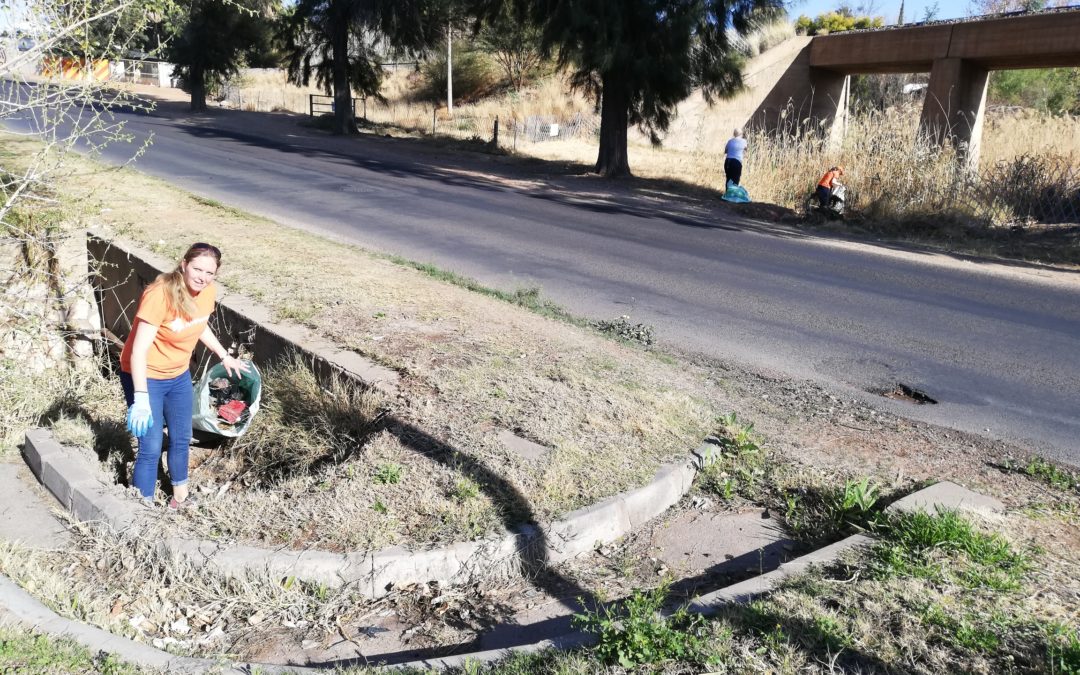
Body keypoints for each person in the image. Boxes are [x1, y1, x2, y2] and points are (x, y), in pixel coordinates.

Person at [119, 242, 249, 508]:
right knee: (151, 447)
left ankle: (180, 498)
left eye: (209, 273)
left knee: (180, 438)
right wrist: (141, 398)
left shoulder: (207, 292)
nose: (202, 277)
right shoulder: (159, 295)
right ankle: (138, 510)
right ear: (184, 265)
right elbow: (137, 351)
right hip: (146, 376)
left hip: (177, 375)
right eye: (197, 269)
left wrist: (223, 355)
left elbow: (198, 325)